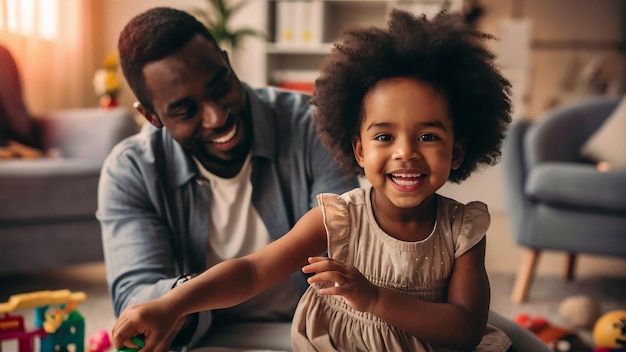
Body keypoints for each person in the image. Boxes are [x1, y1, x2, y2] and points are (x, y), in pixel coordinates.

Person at [111, 8, 514, 351]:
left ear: (457, 151)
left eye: (427, 136)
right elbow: (252, 270)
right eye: (384, 137)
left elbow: (464, 330)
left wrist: (373, 297)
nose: (405, 152)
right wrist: (174, 303)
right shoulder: (337, 218)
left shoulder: (463, 229)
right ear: (359, 151)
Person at [97, 6, 359, 351]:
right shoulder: (130, 171)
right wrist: (181, 303)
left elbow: (347, 252)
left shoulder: (312, 128)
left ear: (226, 61)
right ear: (151, 115)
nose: (217, 117)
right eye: (185, 110)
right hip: (200, 342)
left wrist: (183, 299)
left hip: (313, 332)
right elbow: (136, 300)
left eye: (220, 85)